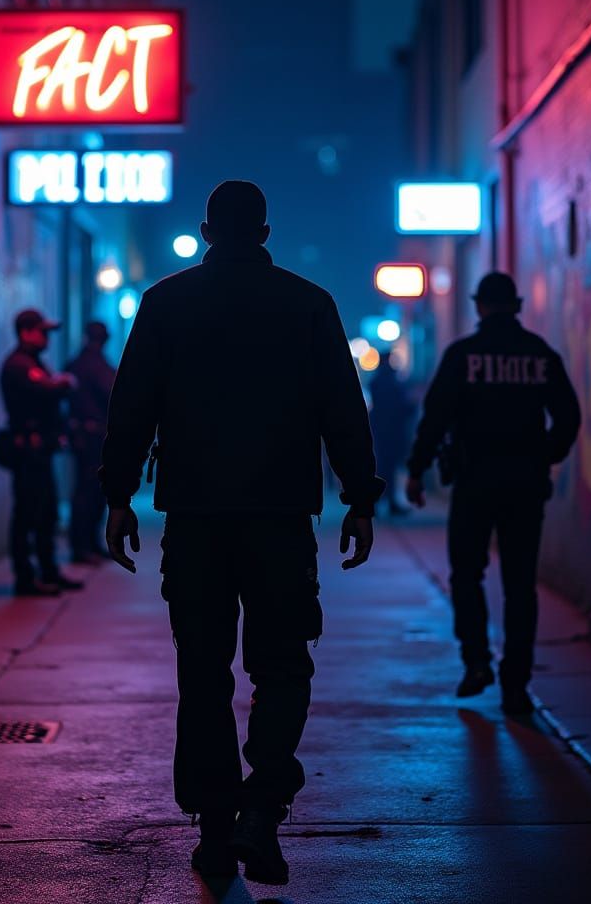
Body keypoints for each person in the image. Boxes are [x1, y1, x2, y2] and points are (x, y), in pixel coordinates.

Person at [99, 180, 384, 886]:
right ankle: (264, 806)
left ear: (204, 230)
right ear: (264, 231)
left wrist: (117, 496)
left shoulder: (165, 303)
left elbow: (132, 404)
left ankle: (215, 826)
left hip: (194, 518)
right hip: (281, 518)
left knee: (203, 670)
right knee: (283, 664)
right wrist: (359, 497)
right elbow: (343, 409)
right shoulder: (308, 304)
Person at [405, 272, 581, 715]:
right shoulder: (540, 355)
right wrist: (544, 454)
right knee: (521, 584)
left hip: (474, 481)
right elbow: (568, 416)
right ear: (517, 306)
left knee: (467, 574)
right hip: (525, 483)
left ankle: (477, 662)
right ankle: (516, 683)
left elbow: (435, 417)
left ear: (480, 307)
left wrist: (416, 470)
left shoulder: (463, 356)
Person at [0, 309, 83, 596]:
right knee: (27, 515)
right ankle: (25, 578)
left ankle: (48, 572)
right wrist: (62, 383)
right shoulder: (19, 364)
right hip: (27, 451)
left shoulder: (32, 362)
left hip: (40, 451)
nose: (46, 337)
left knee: (46, 514)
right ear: (26, 332)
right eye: (42, 331)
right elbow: (49, 389)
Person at [65, 320, 115, 562]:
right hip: (93, 436)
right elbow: (113, 392)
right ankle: (84, 547)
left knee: (89, 492)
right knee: (89, 493)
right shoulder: (95, 365)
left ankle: (87, 545)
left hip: (86, 435)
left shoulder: (76, 363)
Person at [368, 351, 414, 515]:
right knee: (388, 467)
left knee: (383, 467)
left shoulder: (376, 381)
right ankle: (384, 502)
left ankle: (381, 502)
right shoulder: (393, 382)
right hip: (391, 430)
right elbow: (400, 406)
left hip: (382, 430)